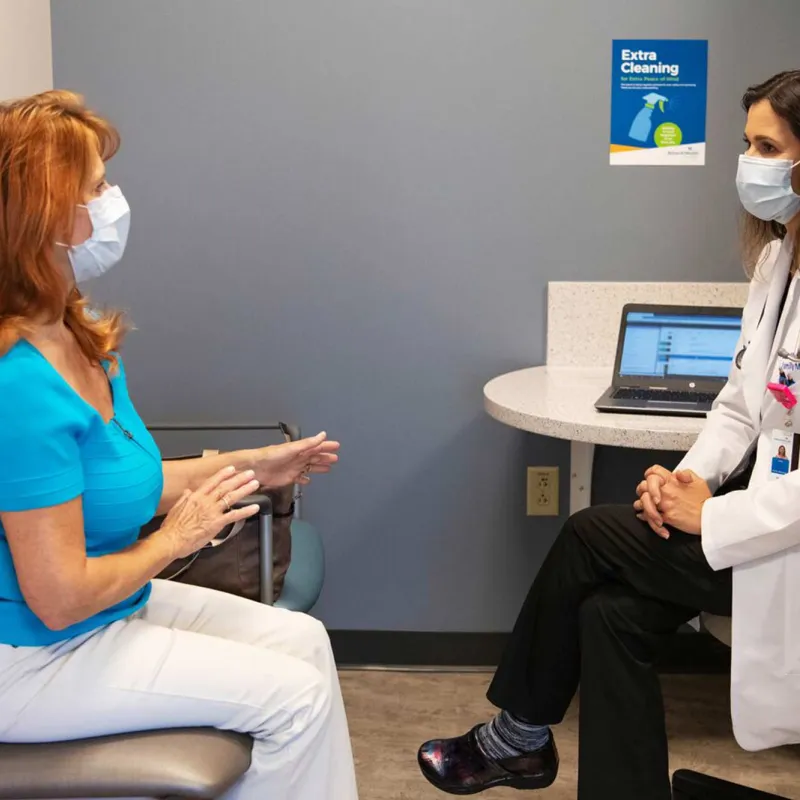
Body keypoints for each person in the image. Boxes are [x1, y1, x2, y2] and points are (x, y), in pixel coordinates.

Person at [418, 69, 800, 800]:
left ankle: (517, 740)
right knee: (609, 614)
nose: (749, 164)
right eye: (746, 143)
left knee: (591, 535)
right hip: (760, 515)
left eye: (766, 146)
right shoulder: (779, 260)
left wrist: (712, 515)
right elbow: (742, 406)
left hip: (782, 535)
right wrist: (691, 479)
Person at [0, 91, 358, 800]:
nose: (114, 201)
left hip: (107, 613)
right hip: (31, 659)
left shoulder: (80, 337)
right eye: (97, 189)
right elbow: (59, 598)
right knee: (294, 698)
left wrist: (262, 465)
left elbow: (129, 482)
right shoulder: (17, 385)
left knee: (305, 644)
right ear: (45, 217)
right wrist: (175, 541)